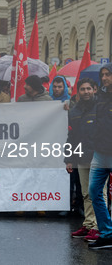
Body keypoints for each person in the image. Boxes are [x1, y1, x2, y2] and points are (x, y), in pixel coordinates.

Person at [65, 78, 101, 242]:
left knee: (98, 194)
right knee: (86, 193)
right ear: (77, 91)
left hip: (99, 158)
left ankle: (97, 227)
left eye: (89, 89)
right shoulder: (74, 111)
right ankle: (88, 224)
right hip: (81, 158)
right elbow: (71, 137)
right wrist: (69, 159)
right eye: (82, 89)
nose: (86, 92)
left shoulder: (101, 108)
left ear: (94, 89)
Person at [88, 63, 112, 249]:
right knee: (94, 191)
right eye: (103, 74)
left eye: (108, 74)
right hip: (100, 153)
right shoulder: (100, 97)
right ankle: (107, 233)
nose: (104, 78)